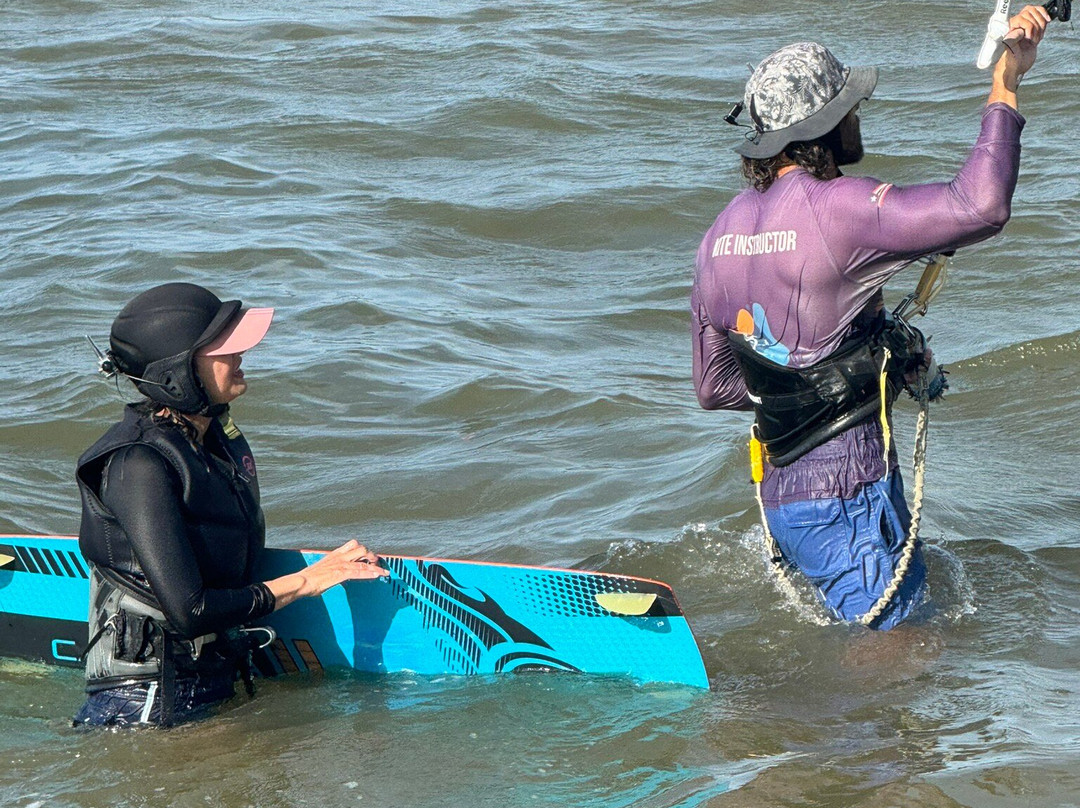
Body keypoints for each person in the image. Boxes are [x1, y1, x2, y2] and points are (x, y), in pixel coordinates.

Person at [691, 8, 1051, 628]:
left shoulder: (717, 236)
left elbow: (715, 387)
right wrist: (1006, 82)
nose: (858, 115)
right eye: (850, 105)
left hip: (783, 501)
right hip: (846, 497)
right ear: (825, 125)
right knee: (900, 659)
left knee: (874, 668)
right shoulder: (839, 210)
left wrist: (817, 372)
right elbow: (981, 206)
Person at [75, 282, 388, 727]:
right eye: (221, 348)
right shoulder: (137, 464)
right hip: (143, 704)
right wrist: (311, 579)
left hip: (212, 679)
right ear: (176, 373)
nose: (240, 355)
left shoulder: (211, 437)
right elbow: (190, 611)